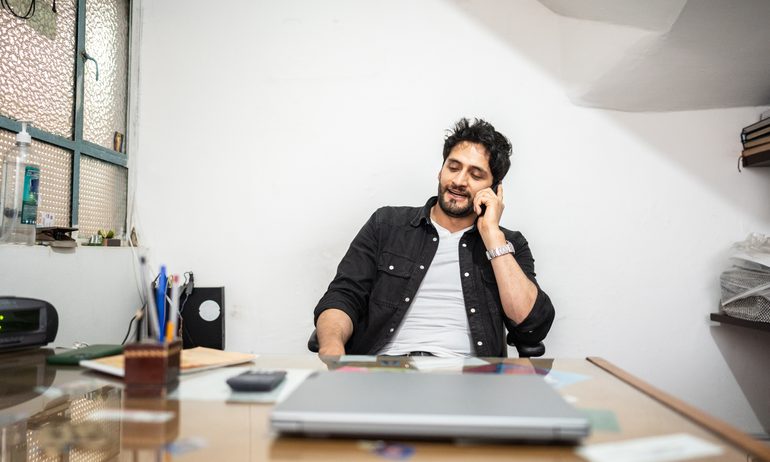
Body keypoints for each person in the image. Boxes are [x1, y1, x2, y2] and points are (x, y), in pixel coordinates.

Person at [314, 118, 555, 357]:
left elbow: (530, 326)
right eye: (453, 167)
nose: (459, 181)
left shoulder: (509, 245)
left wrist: (492, 235)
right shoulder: (386, 225)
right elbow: (344, 296)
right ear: (440, 170)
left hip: (467, 374)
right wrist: (332, 347)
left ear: (494, 189)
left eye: (475, 175)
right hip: (386, 368)